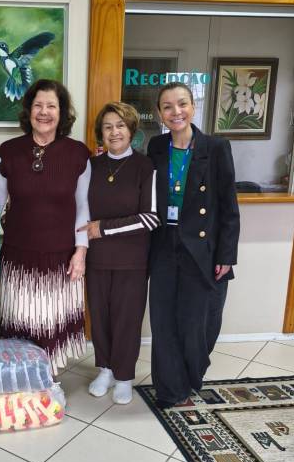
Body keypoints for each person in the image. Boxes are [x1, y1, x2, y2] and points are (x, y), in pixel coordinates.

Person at [147, 82, 240, 409]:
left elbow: (229, 207)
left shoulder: (216, 148)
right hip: (163, 243)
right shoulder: (156, 146)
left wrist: (226, 255)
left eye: (182, 104)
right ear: (159, 113)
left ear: (193, 106)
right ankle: (170, 389)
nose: (176, 112)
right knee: (163, 320)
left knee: (195, 323)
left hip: (201, 249)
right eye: (167, 106)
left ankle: (188, 377)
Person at [0, 79, 90, 372]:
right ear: (29, 110)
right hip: (18, 257)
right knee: (22, 318)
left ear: (62, 112)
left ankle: (48, 379)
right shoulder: (8, 152)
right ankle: (21, 377)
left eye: (51, 106)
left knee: (51, 321)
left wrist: (81, 252)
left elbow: (83, 207)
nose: (44, 112)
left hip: (62, 256)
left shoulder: (78, 154)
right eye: (38, 105)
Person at [79, 102, 159, 404]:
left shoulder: (145, 166)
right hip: (97, 259)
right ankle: (106, 370)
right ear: (101, 132)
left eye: (120, 126)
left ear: (131, 130)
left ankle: (124, 376)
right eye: (108, 127)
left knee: (127, 319)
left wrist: (104, 228)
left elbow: (150, 218)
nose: (114, 132)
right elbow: (80, 209)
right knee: (99, 317)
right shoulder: (91, 166)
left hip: (132, 261)